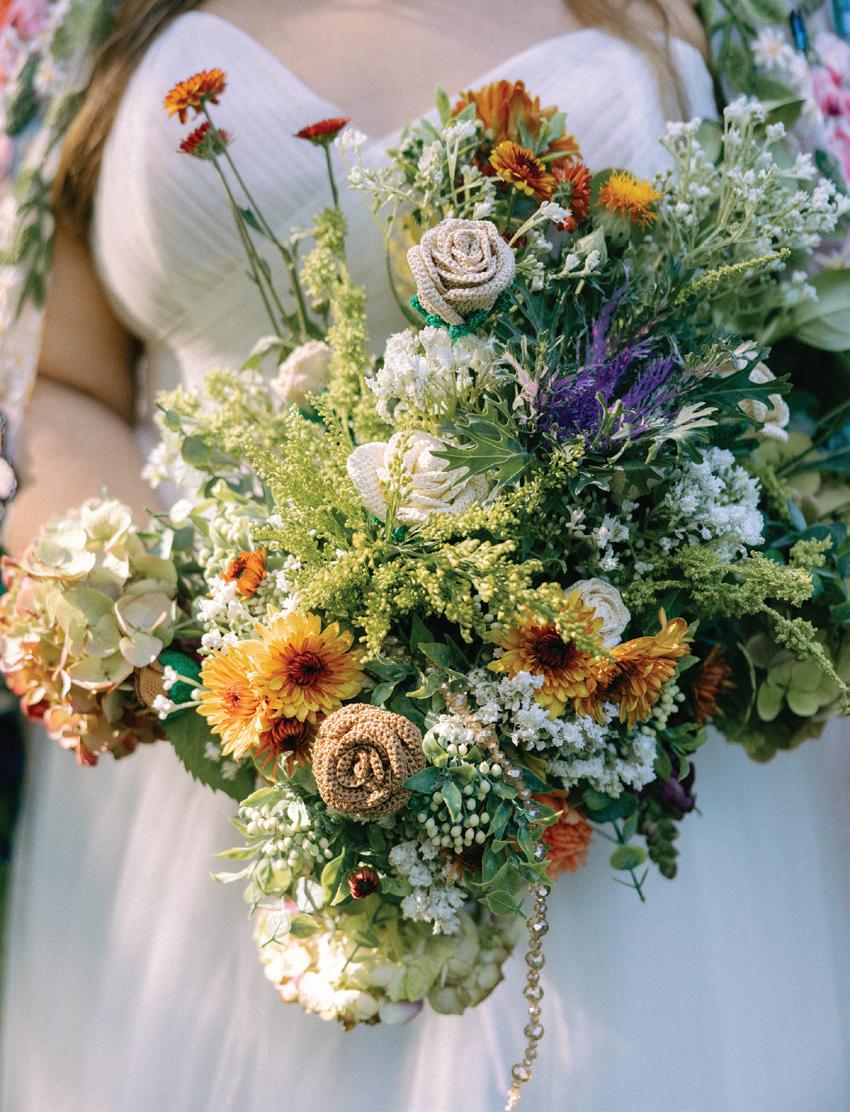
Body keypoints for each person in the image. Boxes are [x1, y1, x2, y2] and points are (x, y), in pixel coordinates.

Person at [3, 2, 849, 1109]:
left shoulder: (762, 19)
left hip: (607, 745)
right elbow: (59, 379)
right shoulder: (79, 17)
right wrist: (157, 630)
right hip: (210, 744)